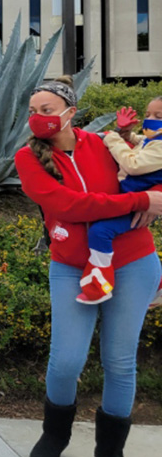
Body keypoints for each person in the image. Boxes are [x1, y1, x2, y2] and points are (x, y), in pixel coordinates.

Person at [14, 78, 162, 457]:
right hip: (70, 266)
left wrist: (156, 197)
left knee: (119, 362)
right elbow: (67, 206)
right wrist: (139, 203)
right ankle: (55, 434)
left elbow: (152, 167)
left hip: (132, 261)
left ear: (69, 112)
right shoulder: (26, 158)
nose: (38, 117)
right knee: (65, 362)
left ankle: (110, 452)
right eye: (33, 109)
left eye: (47, 109)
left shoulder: (105, 143)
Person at [71, 97, 162, 304]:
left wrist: (113, 139)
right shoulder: (154, 141)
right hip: (133, 199)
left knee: (100, 232)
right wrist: (125, 133)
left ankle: (99, 285)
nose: (150, 120)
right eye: (148, 115)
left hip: (137, 203)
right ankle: (159, 285)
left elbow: (133, 165)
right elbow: (140, 141)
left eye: (159, 116)